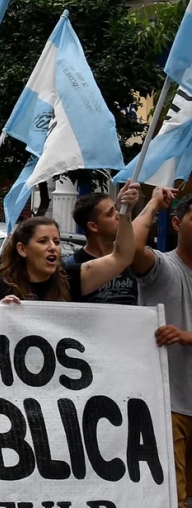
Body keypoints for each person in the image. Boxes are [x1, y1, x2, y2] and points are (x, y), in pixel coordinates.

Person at [0, 183, 136, 303]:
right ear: (22, 249)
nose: (52, 247)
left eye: (56, 241)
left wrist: (125, 212)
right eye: (43, 241)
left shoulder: (69, 280)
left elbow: (122, 256)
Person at [132, 187, 192, 506]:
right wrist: (153, 203)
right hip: (169, 405)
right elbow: (130, 249)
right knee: (173, 498)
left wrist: (186, 336)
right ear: (177, 224)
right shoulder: (161, 268)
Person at [66, 191, 139, 305]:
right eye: (110, 214)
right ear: (93, 226)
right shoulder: (72, 266)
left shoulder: (134, 258)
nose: (118, 215)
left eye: (117, 209)